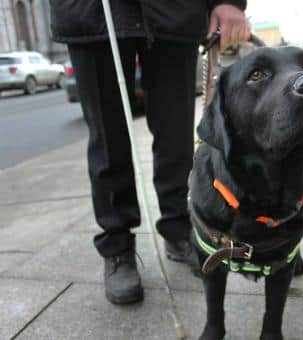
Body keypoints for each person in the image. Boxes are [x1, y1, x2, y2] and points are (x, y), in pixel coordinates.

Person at [49, 0, 250, 304]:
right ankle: (117, 246)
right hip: (93, 12)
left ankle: (180, 228)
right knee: (107, 139)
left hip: (173, 12)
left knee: (176, 135)